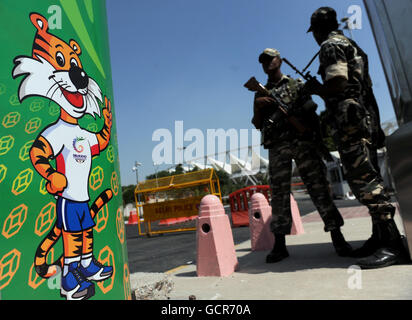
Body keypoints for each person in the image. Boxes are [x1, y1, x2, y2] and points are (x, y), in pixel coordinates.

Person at [305, 7, 406, 269]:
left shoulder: (330, 45)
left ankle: (392, 245)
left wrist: (317, 89)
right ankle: (379, 237)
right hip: (364, 119)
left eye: (314, 32)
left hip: (350, 123)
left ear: (318, 30)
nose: (315, 38)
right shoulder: (352, 45)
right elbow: (365, 88)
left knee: (365, 182)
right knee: (369, 177)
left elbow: (337, 82)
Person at [251, 48, 352, 263]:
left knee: (318, 188)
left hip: (303, 143)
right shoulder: (260, 92)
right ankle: (279, 245)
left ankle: (337, 237)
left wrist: (319, 143)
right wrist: (259, 108)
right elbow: (258, 124)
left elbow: (312, 114)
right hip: (278, 147)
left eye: (270, 59)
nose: (267, 63)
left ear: (280, 60)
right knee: (279, 195)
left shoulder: (295, 85)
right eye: (263, 61)